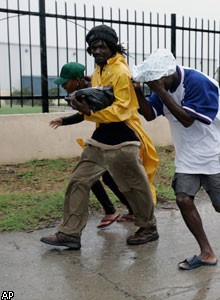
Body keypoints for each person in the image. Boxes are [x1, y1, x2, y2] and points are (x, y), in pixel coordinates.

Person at [132, 49, 220, 270]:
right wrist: (138, 91)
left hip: (216, 147)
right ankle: (207, 253)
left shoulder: (197, 82)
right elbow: (150, 114)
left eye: (156, 81)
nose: (153, 85)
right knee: (183, 199)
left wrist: (160, 91)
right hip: (189, 152)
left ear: (168, 74)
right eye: (150, 82)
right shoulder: (163, 84)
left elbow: (187, 119)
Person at [40, 24, 159, 249]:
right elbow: (99, 100)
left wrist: (89, 111)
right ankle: (70, 233)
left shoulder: (121, 72)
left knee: (133, 185)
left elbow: (122, 109)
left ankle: (148, 227)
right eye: (93, 47)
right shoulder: (99, 70)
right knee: (79, 179)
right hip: (101, 136)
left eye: (101, 46)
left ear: (112, 46)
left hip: (124, 136)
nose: (97, 51)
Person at [50, 62, 131, 229]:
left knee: (87, 174)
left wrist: (65, 120)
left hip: (115, 135)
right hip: (109, 134)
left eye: (66, 82)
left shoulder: (90, 91)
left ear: (77, 80)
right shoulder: (90, 86)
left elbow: (87, 113)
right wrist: (63, 120)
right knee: (101, 176)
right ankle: (130, 211)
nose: (64, 86)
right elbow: (85, 113)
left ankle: (120, 212)